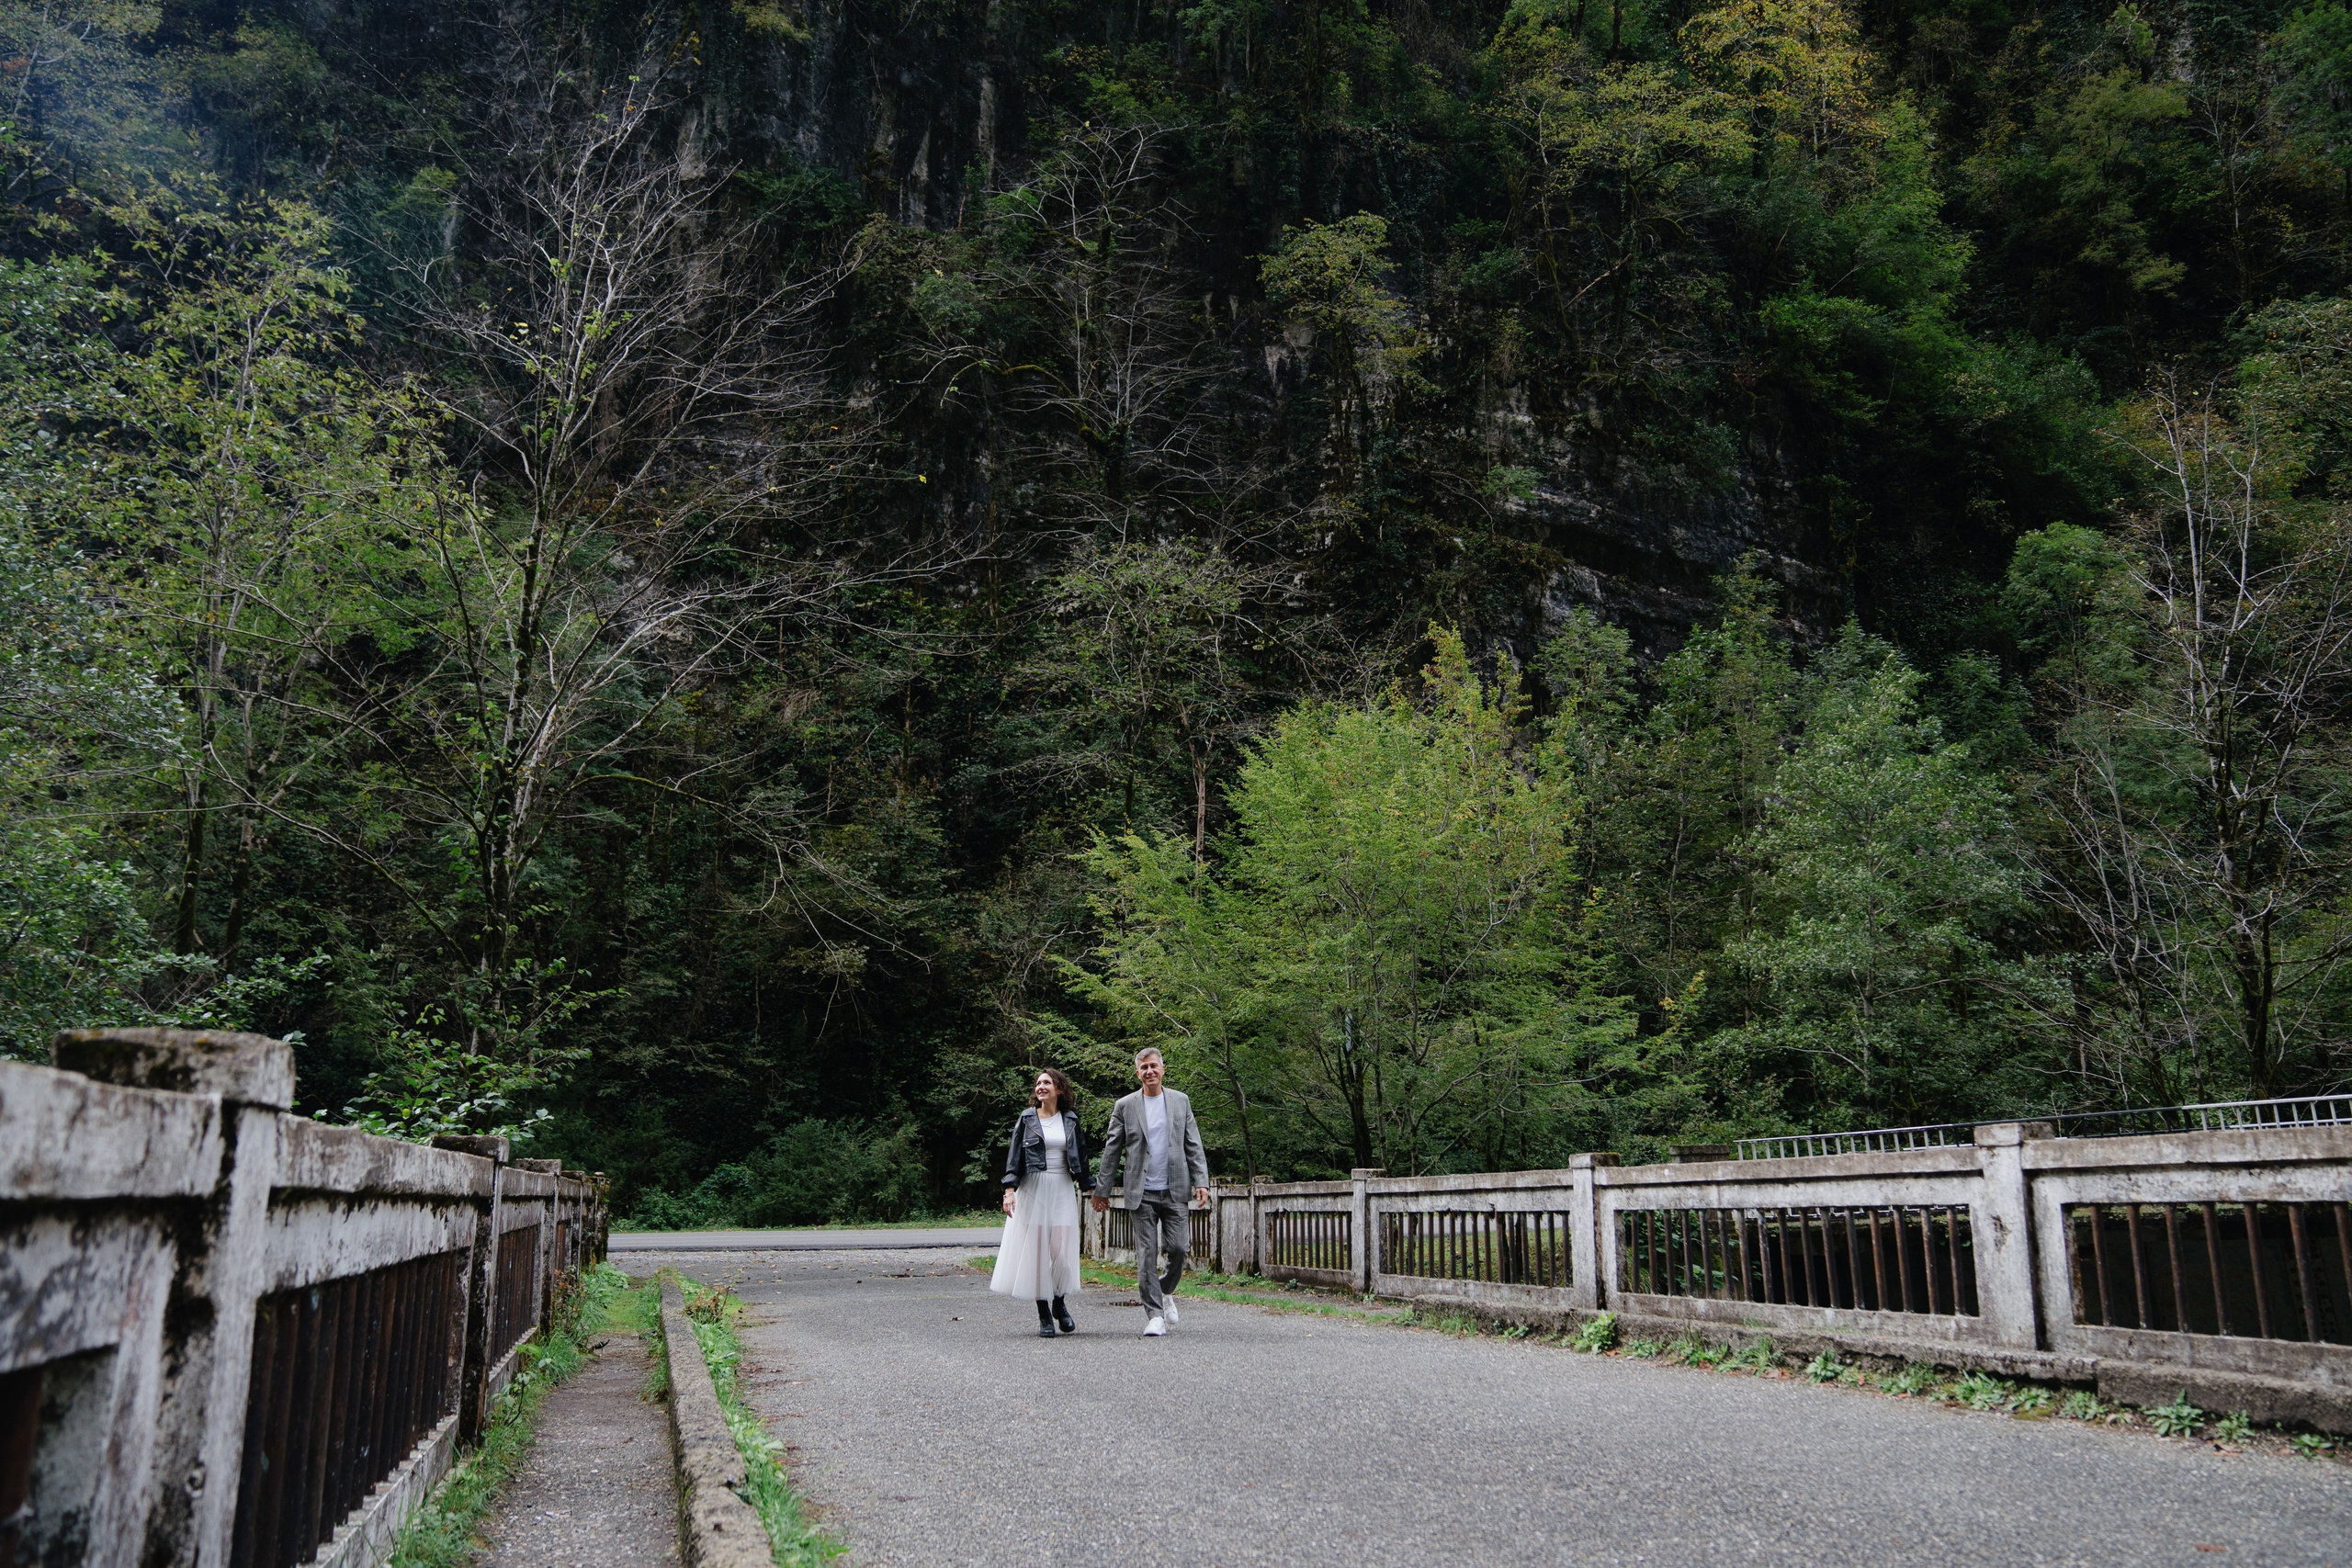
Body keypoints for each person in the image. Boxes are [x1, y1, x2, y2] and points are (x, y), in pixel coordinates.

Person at [1091, 1047, 1210, 1337]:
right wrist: (1101, 1189)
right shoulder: (1126, 1106)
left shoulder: (1181, 1102)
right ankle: (1155, 1316)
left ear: (1163, 1069)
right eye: (1144, 1068)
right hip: (1140, 1191)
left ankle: (1164, 1289)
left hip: (1175, 1188)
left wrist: (1201, 1181)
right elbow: (1112, 1149)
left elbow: (1192, 1143)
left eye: (1154, 1066)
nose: (1149, 1072)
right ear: (1138, 1073)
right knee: (1146, 1254)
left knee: (1180, 1249)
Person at [991, 1067, 1090, 1336]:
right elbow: (1014, 1158)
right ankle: (1044, 1314)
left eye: (1047, 1082)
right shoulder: (1026, 1119)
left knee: (1061, 1253)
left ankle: (1059, 1302)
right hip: (1033, 1188)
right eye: (1038, 1083)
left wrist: (1090, 1188)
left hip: (1061, 1188)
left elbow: (1081, 1157)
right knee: (1036, 1254)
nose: (1041, 1087)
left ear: (1059, 1089)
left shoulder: (1070, 1120)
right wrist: (1009, 1191)